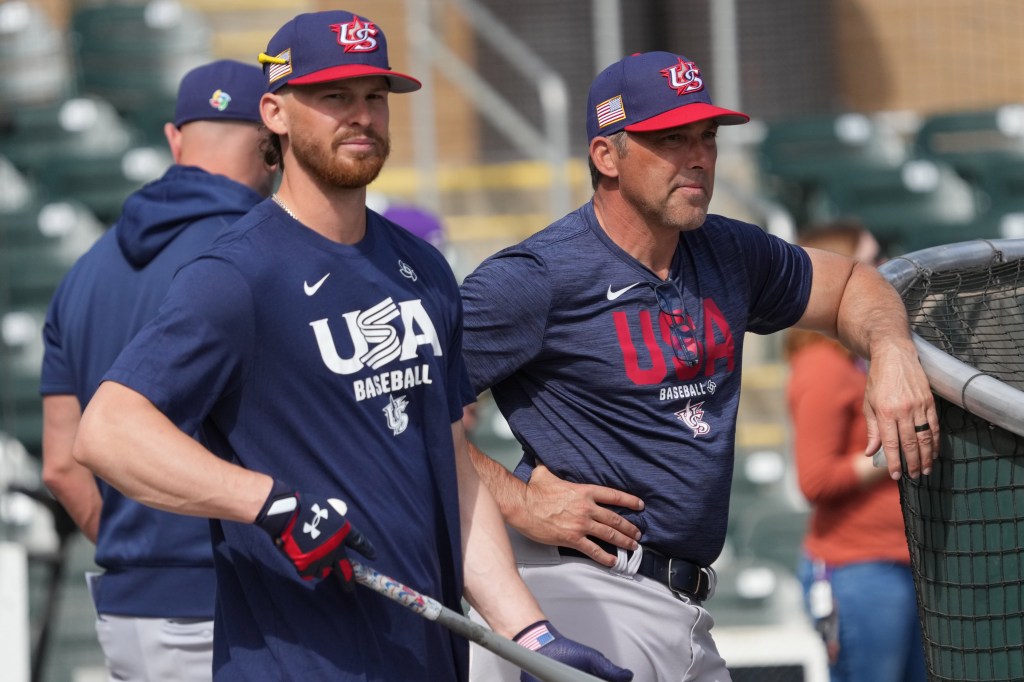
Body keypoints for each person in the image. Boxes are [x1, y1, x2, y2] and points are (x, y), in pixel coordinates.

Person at [70, 10, 632, 682]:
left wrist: (529, 632)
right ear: (274, 113)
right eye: (334, 96)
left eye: (375, 97)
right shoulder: (236, 275)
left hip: (425, 658)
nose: (362, 116)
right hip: (296, 664)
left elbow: (452, 468)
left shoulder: (422, 267)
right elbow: (107, 431)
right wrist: (268, 503)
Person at [460, 51, 938, 681]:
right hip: (580, 588)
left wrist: (892, 351)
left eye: (706, 137)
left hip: (678, 604)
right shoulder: (536, 277)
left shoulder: (726, 249)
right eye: (669, 139)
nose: (698, 157)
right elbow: (399, 411)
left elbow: (852, 283)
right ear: (607, 155)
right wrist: (517, 499)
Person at [40, 59, 276, 681]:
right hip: (237, 606)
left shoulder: (82, 270)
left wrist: (141, 554)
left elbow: (63, 466)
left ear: (174, 139)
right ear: (273, 140)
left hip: (126, 611)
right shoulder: (263, 253)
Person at [785, 223, 926, 682]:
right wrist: (896, 442)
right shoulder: (822, 367)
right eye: (871, 259)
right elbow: (816, 480)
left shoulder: (858, 362)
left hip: (904, 563)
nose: (884, 269)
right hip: (861, 571)